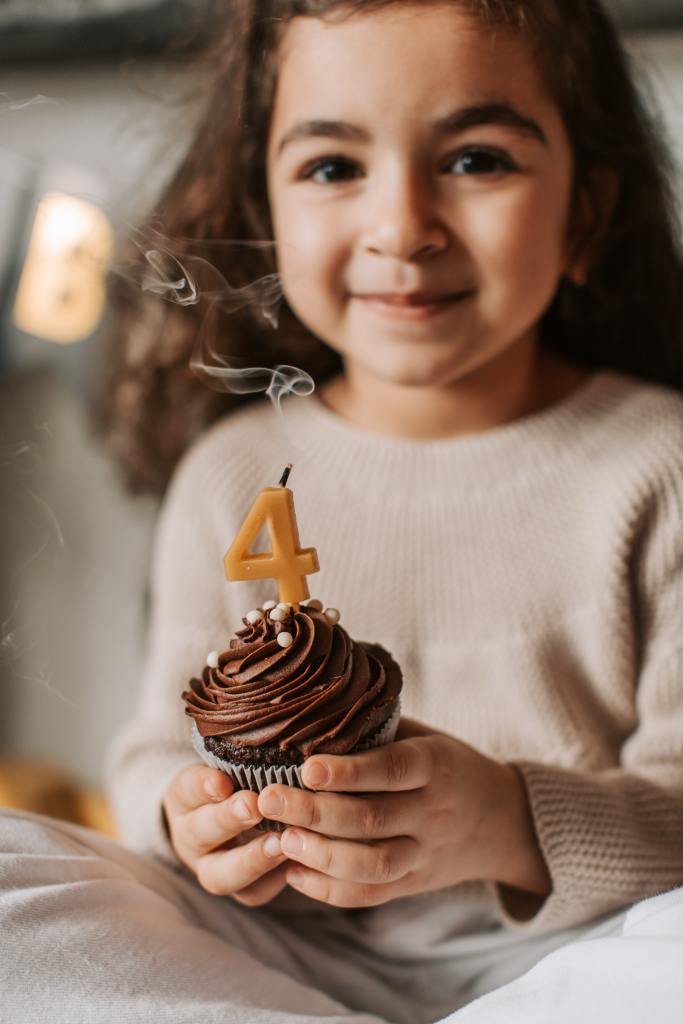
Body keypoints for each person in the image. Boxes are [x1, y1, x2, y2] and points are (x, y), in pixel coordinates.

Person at [2, 2, 683, 1022]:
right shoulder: (232, 474)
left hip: (578, 963)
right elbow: (154, 747)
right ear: (264, 205)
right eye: (332, 168)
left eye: (476, 158)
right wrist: (183, 816)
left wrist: (506, 819)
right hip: (275, 967)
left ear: (584, 211)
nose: (401, 225)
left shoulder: (657, 465)